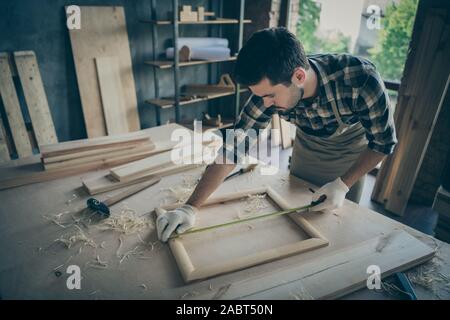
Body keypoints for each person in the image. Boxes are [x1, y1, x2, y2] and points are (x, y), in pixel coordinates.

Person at [157, 27, 397, 242]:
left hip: (352, 151)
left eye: (270, 96)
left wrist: (344, 184)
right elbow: (233, 148)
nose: (265, 103)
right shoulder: (267, 93)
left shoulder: (360, 80)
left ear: (299, 76)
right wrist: (189, 208)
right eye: (260, 96)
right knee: (298, 212)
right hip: (308, 146)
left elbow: (383, 142)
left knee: (336, 228)